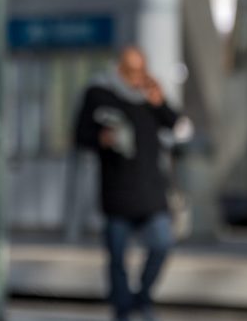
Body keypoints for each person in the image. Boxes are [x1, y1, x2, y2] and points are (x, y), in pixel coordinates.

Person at [74, 46, 181, 321]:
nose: (137, 77)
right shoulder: (99, 94)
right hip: (117, 193)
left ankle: (142, 299)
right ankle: (123, 310)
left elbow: (181, 130)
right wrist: (102, 139)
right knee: (117, 258)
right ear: (119, 69)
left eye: (141, 70)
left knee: (161, 244)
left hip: (151, 192)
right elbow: (79, 135)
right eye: (131, 71)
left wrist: (161, 103)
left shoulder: (149, 97)